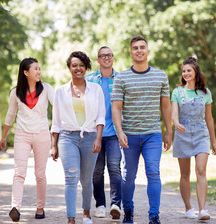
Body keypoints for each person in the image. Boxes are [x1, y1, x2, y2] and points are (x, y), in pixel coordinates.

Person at [111, 36, 173, 224]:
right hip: (129, 135)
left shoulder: (161, 76)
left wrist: (169, 131)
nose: (139, 50)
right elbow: (116, 107)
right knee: (129, 176)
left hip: (152, 134)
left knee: (153, 172)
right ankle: (128, 211)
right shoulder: (121, 77)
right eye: (135, 48)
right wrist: (120, 131)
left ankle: (154, 215)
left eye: (142, 47)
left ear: (148, 51)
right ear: (131, 52)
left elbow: (166, 106)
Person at [50, 51, 106, 224]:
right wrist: (54, 145)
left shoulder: (95, 89)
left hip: (90, 137)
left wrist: (98, 139)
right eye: (74, 65)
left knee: (86, 180)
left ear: (86, 67)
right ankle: (71, 218)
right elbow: (56, 121)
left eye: (81, 65)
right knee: (71, 178)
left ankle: (87, 214)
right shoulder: (60, 92)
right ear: (69, 68)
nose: (78, 68)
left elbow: (100, 117)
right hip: (68, 138)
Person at [0, 57, 54, 222]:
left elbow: (58, 106)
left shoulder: (47, 89)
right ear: (25, 72)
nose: (39, 71)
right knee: (19, 172)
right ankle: (16, 207)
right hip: (22, 135)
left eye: (39, 68)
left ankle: (40, 207)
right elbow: (10, 115)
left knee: (40, 174)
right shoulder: (15, 92)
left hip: (42, 134)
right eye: (35, 68)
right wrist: (3, 136)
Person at [171, 56, 216, 220]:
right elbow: (174, 114)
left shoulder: (205, 93)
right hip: (182, 135)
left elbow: (209, 118)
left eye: (188, 70)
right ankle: (188, 208)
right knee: (184, 174)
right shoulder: (177, 92)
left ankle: (203, 210)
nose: (185, 73)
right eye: (183, 71)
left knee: (201, 170)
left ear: (196, 72)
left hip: (201, 135)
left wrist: (213, 140)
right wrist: (176, 123)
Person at [85, 46, 122, 219]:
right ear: (98, 59)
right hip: (95, 132)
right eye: (103, 56)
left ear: (113, 58)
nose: (106, 58)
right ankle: (100, 204)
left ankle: (116, 204)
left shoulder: (121, 79)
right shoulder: (89, 80)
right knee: (97, 171)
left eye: (109, 55)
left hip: (115, 131)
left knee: (114, 168)